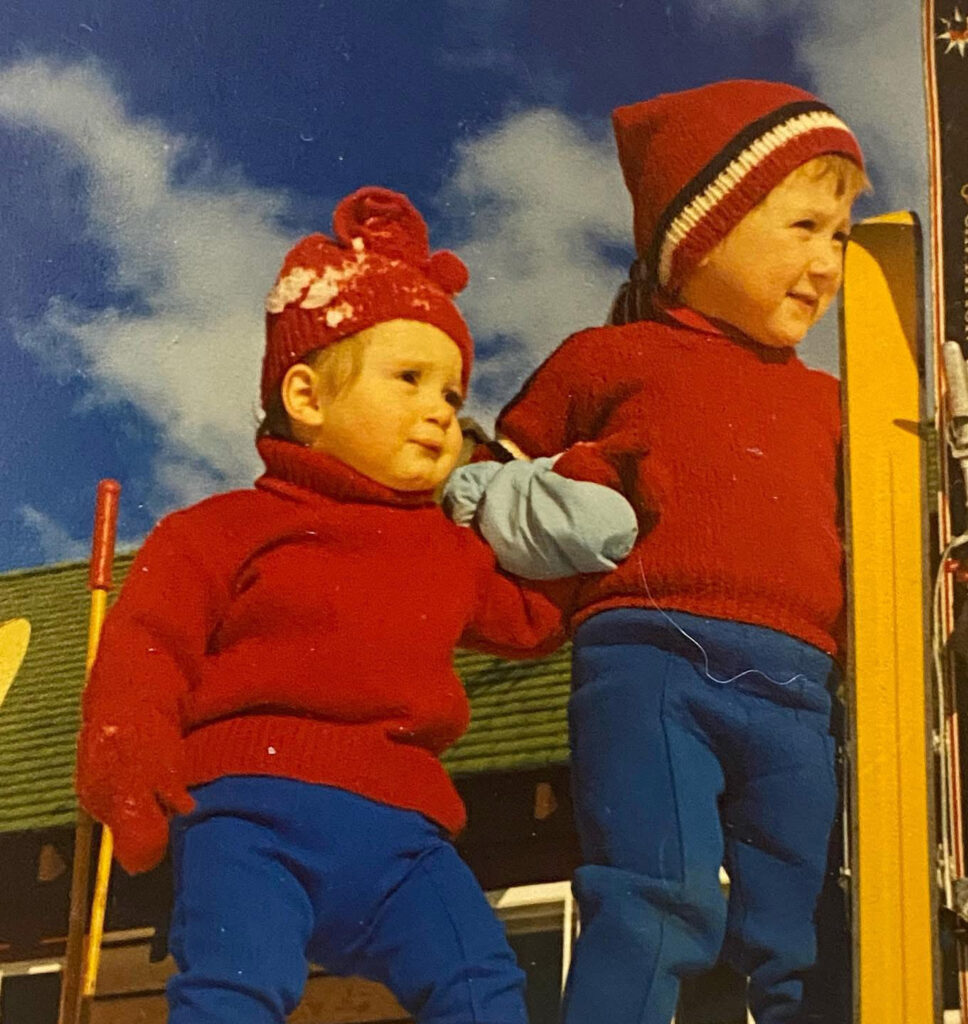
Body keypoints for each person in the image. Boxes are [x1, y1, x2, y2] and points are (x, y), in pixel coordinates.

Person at [74, 186, 635, 1024]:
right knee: (235, 982)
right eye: (409, 379)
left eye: (451, 394)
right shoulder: (225, 528)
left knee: (481, 979)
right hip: (246, 811)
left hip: (402, 837)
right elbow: (148, 643)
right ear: (307, 398)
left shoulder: (448, 547)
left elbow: (530, 622)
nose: (439, 411)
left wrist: (581, 513)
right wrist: (130, 748)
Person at [445, 80, 869, 1024]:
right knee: (656, 891)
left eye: (840, 236)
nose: (828, 262)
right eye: (804, 226)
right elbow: (497, 488)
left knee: (809, 912)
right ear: (702, 231)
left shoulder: (833, 405)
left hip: (802, 689)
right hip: (650, 664)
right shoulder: (609, 359)